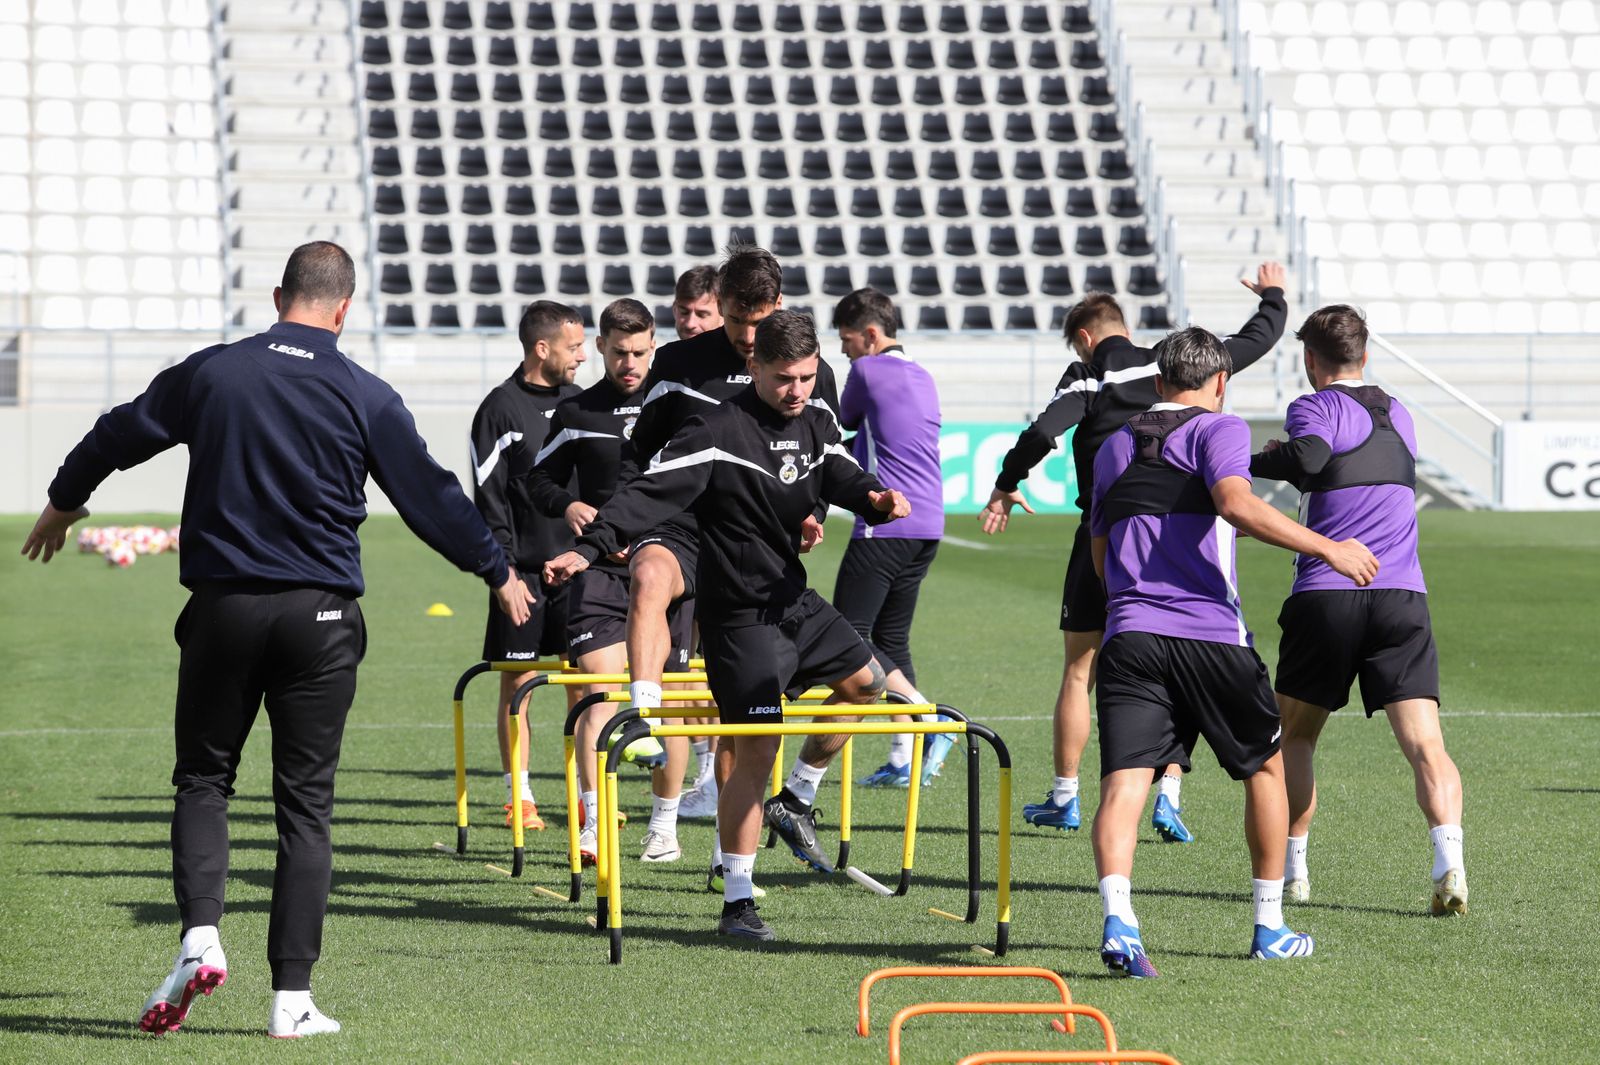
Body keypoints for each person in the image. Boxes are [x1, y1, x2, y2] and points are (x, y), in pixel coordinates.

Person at [19, 242, 533, 1037]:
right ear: (343, 309)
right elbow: (430, 495)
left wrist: (64, 497)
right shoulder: (364, 390)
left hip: (224, 611)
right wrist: (495, 569)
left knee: (202, 780)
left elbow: (121, 431)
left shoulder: (214, 372)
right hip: (321, 620)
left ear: (276, 294)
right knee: (306, 810)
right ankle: (291, 1001)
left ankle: (199, 937)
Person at [545, 310, 911, 943]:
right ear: (753, 368)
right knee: (755, 748)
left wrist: (874, 495)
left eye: (806, 377)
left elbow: (838, 471)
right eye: (783, 379)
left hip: (793, 602)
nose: (797, 391)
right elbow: (644, 496)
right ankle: (738, 900)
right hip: (738, 620)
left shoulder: (817, 416)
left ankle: (795, 797)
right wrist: (588, 547)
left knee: (867, 685)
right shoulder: (716, 430)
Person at [1087, 327, 1379, 977]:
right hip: (1210, 634)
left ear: (1158, 382)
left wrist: (1128, 605)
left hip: (1128, 635)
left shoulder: (1113, 446)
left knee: (1124, 782)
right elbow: (1235, 504)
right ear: (1220, 383)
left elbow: (1099, 546)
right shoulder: (1221, 429)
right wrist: (1327, 546)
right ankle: (1269, 925)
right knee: (1267, 771)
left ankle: (1120, 918)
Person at [982, 266, 1290, 842]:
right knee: (1184, 647)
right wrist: (1273, 298)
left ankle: (1066, 796)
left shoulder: (1087, 374)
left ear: (1085, 338)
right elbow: (1257, 340)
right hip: (1187, 526)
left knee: (1082, 671)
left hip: (1108, 530)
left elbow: (1044, 432)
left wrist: (1006, 481)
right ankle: (1169, 789)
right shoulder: (1178, 364)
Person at [619, 243, 842, 891]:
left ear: (778, 306)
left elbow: (820, 453)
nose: (747, 338)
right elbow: (638, 453)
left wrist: (810, 509)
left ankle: (728, 852)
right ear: (719, 308)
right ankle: (642, 716)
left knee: (734, 708)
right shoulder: (682, 361)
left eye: (758, 322)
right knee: (649, 579)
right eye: (736, 323)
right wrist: (631, 518)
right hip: (681, 526)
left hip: (753, 546)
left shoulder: (805, 367)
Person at [1250, 305, 1466, 915]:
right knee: (1427, 745)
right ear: (1364, 357)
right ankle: (1449, 861)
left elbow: (1313, 460)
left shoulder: (1312, 406)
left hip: (1328, 593)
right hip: (1403, 597)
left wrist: (1261, 460)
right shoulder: (1400, 413)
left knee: (1295, 737)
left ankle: (1294, 872)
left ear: (1310, 360)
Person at [525, 298, 695, 865]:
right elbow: (538, 480)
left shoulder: (677, 404)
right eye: (619, 352)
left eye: (641, 352)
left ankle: (663, 827)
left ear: (655, 347)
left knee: (666, 701)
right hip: (598, 569)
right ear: (599, 347)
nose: (630, 363)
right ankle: (596, 822)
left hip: (666, 567)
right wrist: (569, 506)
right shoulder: (576, 410)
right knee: (599, 687)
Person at [821, 288, 948, 788]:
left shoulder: (868, 372)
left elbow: (836, 427)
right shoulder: (924, 375)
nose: (845, 351)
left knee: (848, 633)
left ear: (871, 335)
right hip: (930, 523)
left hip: (886, 521)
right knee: (892, 637)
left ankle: (925, 718)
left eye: (848, 340)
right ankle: (904, 755)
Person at [469, 301, 585, 831]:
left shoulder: (584, 404)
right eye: (575, 347)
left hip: (581, 571)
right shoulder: (499, 409)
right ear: (543, 348)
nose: (583, 356)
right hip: (524, 576)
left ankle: (587, 798)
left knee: (586, 686)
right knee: (519, 683)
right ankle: (522, 794)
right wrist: (504, 574)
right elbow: (488, 500)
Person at [672, 263, 723, 341]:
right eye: (684, 312)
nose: (690, 324)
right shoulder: (665, 352)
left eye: (702, 315)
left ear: (723, 315)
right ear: (674, 310)